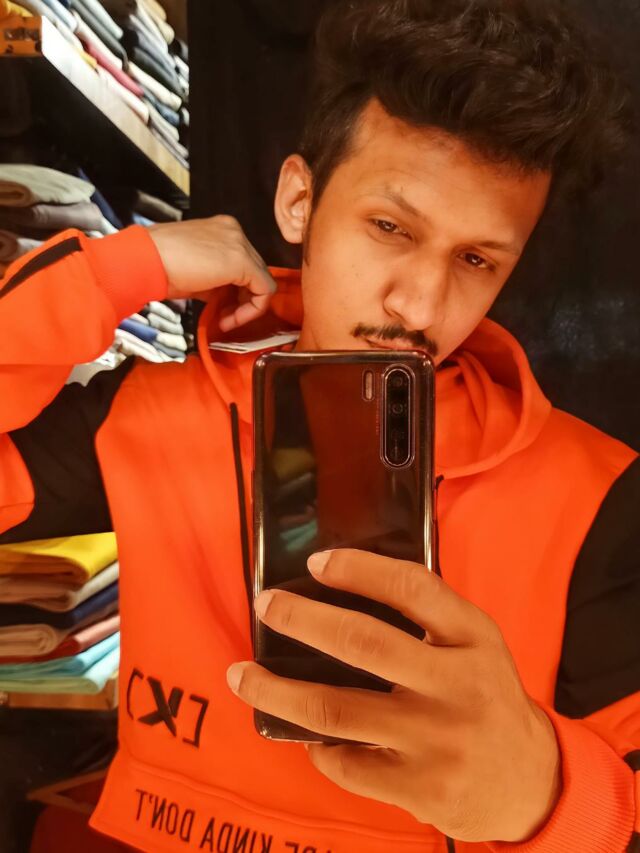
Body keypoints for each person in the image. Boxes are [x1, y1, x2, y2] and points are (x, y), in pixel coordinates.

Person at [1, 0, 638, 850]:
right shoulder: (147, 416)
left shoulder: (598, 494)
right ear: (299, 200)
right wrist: (122, 269)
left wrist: (553, 798)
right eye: (390, 227)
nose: (420, 306)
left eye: (476, 259)